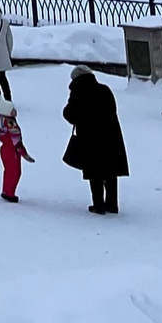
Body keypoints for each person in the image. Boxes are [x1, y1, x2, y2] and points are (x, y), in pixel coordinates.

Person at [61, 65, 128, 214]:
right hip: (111, 135)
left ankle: (98, 205)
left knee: (94, 171)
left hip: (90, 137)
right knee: (110, 171)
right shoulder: (104, 89)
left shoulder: (78, 91)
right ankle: (112, 204)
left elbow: (71, 114)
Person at [0, 95, 34, 202]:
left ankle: (6, 190)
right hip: (12, 150)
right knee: (15, 172)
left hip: (5, 149)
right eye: (12, 110)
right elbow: (16, 140)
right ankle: (10, 193)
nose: (15, 111)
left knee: (8, 171)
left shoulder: (0, 119)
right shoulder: (10, 123)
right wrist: (24, 153)